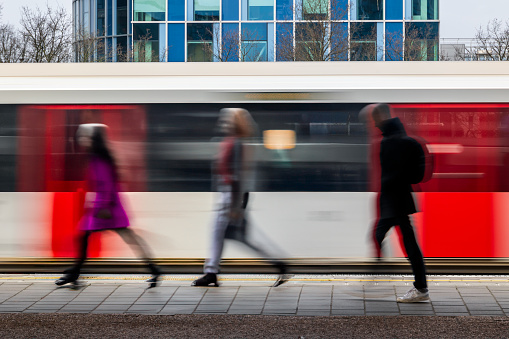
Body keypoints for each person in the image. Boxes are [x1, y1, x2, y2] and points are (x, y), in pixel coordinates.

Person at [55, 124, 161, 288]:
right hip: (106, 206)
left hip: (106, 209)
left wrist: (102, 207)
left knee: (86, 237)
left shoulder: (99, 159)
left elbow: (106, 184)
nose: (82, 140)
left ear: (93, 139)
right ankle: (154, 269)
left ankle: (74, 273)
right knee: (124, 238)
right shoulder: (99, 156)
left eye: (85, 137)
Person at [192, 108, 289, 287]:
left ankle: (211, 272)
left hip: (231, 195)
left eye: (228, 120)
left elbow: (236, 175)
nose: (223, 123)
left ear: (235, 123)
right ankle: (279, 264)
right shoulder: (230, 142)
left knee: (217, 233)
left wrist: (235, 206)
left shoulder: (235, 143)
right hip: (230, 194)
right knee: (240, 237)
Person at [369, 103, 429, 303]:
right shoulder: (402, 140)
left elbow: (389, 176)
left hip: (393, 202)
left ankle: (419, 288)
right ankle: (419, 287)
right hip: (399, 201)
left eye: (376, 120)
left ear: (382, 117)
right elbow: (415, 175)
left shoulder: (389, 142)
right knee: (408, 244)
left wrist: (383, 202)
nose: (375, 124)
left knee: (383, 237)